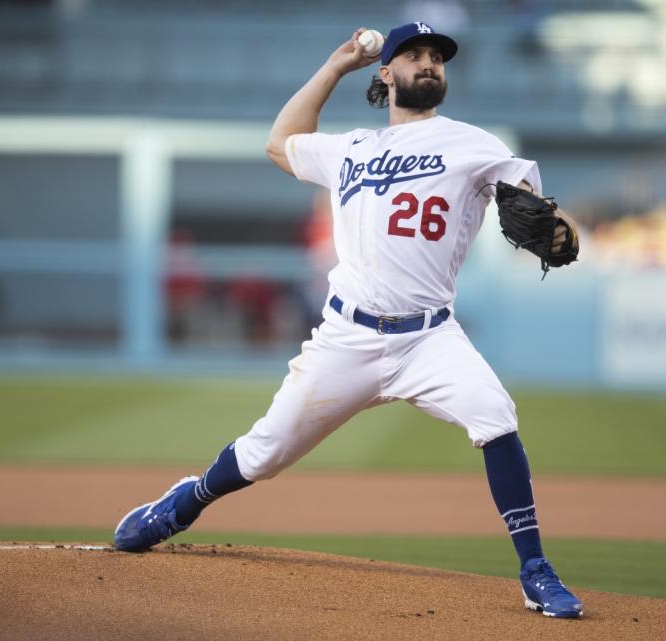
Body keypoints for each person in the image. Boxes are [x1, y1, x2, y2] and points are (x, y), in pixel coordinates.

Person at [113, 22, 583, 619]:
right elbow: (279, 142)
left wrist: (556, 220)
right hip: (347, 337)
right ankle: (185, 502)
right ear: (385, 73)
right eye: (413, 55)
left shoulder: (474, 144)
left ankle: (535, 569)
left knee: (495, 415)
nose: (429, 63)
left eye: (437, 56)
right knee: (265, 455)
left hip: (430, 338)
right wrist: (334, 67)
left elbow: (528, 197)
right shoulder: (350, 149)